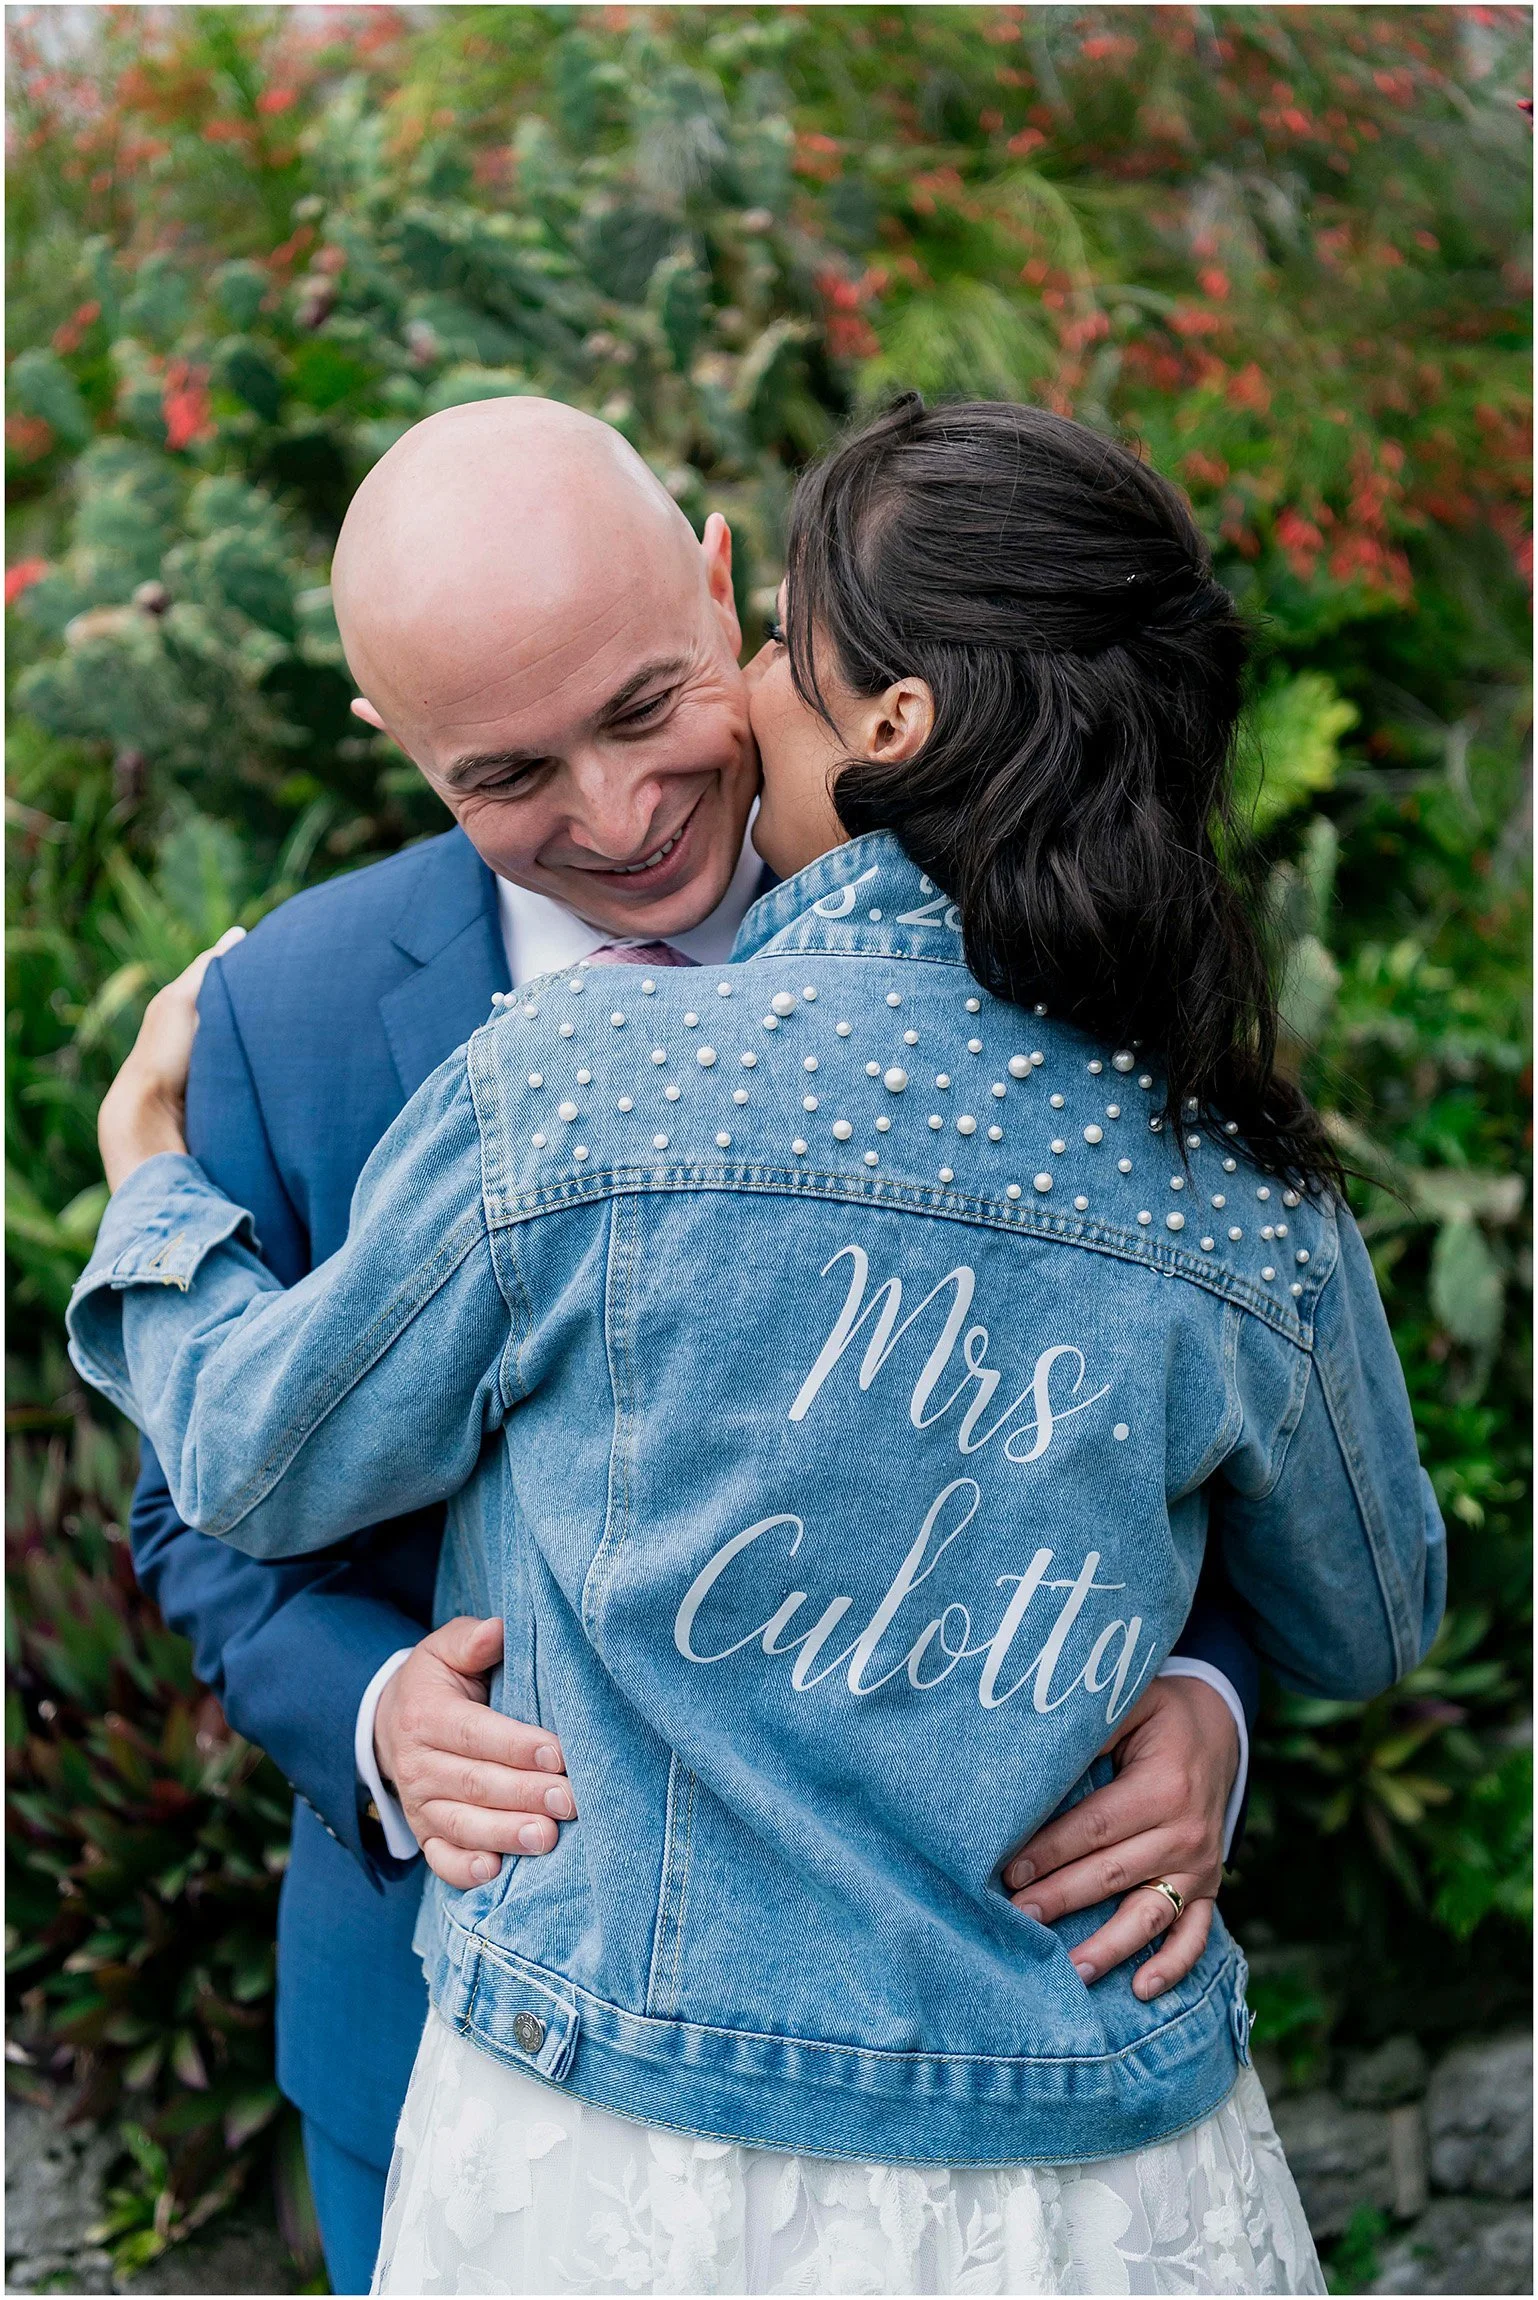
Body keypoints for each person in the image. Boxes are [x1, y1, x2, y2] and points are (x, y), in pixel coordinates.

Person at [64, 399, 1425, 2293]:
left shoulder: (1096, 1001)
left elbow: (1161, 1455)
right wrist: (383, 1720)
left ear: (723, 596)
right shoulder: (282, 1008)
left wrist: (1196, 1695)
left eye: (651, 708)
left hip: (925, 2053)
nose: (620, 817)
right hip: (476, 2038)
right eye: (507, 776)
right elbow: (200, 1499)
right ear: (397, 742)